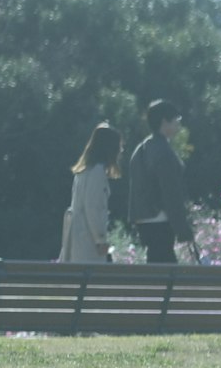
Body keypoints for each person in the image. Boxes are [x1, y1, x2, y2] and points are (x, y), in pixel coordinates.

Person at [122, 101, 194, 265]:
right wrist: (184, 230)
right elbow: (171, 194)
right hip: (160, 219)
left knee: (154, 264)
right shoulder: (164, 153)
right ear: (164, 122)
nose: (178, 124)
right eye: (176, 120)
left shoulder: (140, 149)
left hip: (143, 219)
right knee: (166, 270)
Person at [60, 122, 123, 265]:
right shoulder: (98, 172)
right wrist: (100, 240)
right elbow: (93, 207)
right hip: (88, 240)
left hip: (76, 235)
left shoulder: (83, 171)